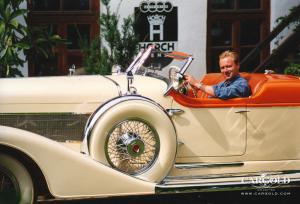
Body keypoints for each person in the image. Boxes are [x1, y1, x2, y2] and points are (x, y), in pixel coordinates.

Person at [185, 50, 251, 99]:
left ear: (238, 66)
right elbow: (212, 90)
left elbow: (221, 93)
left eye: (228, 66)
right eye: (222, 68)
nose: (225, 70)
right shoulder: (224, 83)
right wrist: (193, 85)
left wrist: (197, 84)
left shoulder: (242, 84)